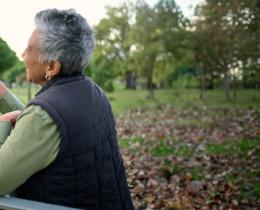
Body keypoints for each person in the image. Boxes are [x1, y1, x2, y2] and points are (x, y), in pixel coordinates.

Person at [0, 8, 134, 210]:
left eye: (29, 49)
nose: (22, 55)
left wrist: (2, 124)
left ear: (52, 67)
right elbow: (44, 129)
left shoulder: (43, 117)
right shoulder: (93, 92)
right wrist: (3, 95)